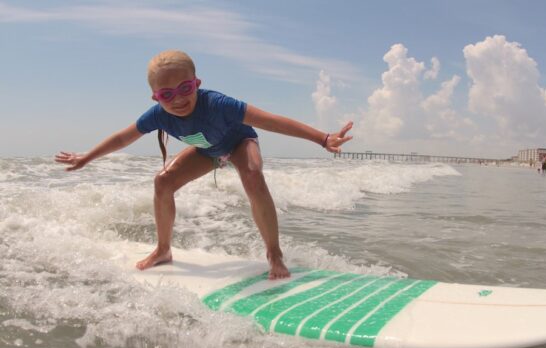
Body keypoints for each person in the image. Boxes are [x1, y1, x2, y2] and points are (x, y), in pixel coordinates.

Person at [55, 50, 353, 280]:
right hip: (207, 150)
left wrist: (322, 138)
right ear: (156, 96)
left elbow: (271, 121)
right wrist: (87, 157)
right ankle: (163, 249)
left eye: (185, 88)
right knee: (162, 182)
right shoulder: (157, 115)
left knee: (252, 175)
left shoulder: (219, 104)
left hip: (238, 143)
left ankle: (274, 254)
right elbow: (123, 138)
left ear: (197, 83)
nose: (178, 99)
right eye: (166, 94)